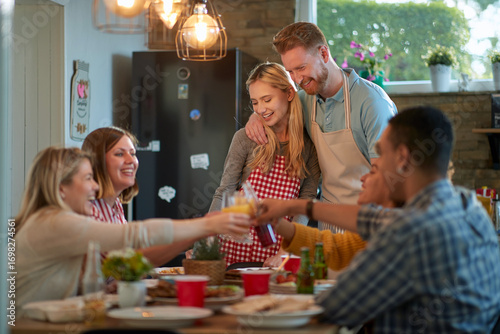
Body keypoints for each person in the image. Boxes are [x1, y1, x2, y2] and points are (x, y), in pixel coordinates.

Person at [257, 106, 500, 332]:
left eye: (381, 154)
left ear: (403, 158)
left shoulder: (410, 231)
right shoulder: (468, 205)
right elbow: (374, 219)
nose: (376, 165)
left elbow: (336, 306)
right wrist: (292, 206)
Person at [14, 147, 252, 307]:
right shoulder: (55, 223)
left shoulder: (50, 220)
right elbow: (136, 236)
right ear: (61, 188)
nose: (95, 187)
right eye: (87, 178)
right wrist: (208, 223)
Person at [245, 22, 397, 232]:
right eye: (291, 71)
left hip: (367, 223)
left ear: (324, 53)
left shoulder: (372, 103)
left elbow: (387, 182)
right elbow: (272, 108)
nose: (298, 79)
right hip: (329, 223)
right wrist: (255, 116)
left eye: (301, 67)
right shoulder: (304, 100)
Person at [209, 62, 320, 267]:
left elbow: (305, 203)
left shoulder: (309, 148)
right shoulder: (246, 138)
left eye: (267, 100)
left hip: (278, 251)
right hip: (235, 249)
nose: (261, 109)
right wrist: (204, 240)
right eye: (255, 103)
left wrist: (287, 250)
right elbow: (224, 191)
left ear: (289, 93)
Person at [82, 127, 194, 267]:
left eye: (133, 153)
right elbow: (125, 264)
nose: (131, 161)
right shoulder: (88, 209)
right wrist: (192, 234)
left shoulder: (115, 204)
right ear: (97, 161)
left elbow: (131, 256)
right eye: (119, 154)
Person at [276, 162, 399, 271]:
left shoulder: (394, 230)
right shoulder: (370, 235)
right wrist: (276, 222)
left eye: (372, 172)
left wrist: (292, 206)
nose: (362, 177)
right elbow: (332, 246)